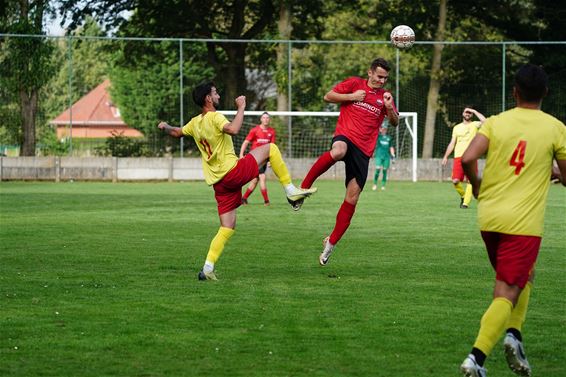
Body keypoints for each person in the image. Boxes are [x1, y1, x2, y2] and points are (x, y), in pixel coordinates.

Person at [459, 64, 566, 377]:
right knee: (506, 291)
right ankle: (476, 359)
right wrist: (557, 172)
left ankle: (514, 335)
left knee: (524, 276)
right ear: (545, 93)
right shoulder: (556, 128)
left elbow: (467, 158)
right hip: (523, 224)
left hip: (489, 217)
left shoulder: (495, 123)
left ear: (515, 92)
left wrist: (477, 187)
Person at [157, 81, 317, 281]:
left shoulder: (194, 123)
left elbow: (176, 132)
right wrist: (241, 107)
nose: (217, 95)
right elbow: (233, 129)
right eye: (214, 92)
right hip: (232, 172)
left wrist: (165, 126)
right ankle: (290, 190)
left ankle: (207, 268)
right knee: (271, 149)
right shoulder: (215, 117)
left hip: (219, 183)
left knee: (227, 226)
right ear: (208, 98)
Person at [292, 57, 399, 266]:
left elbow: (395, 121)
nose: (382, 81)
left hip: (364, 150)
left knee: (352, 198)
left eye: (385, 78)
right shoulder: (354, 84)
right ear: (370, 73)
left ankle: (330, 244)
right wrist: (351, 96)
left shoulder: (385, 97)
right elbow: (328, 96)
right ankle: (302, 189)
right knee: (338, 151)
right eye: (379, 76)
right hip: (346, 136)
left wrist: (388, 107)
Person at [442, 107, 486, 208]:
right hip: (458, 157)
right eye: (466, 112)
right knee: (455, 181)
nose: (468, 114)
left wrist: (474, 110)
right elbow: (452, 143)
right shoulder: (457, 127)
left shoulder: (475, 124)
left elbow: (485, 121)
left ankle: (465, 204)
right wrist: (445, 156)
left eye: (470, 113)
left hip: (471, 156)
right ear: (462, 113)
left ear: (472, 115)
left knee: (470, 181)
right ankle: (463, 196)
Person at [239, 112, 276, 206]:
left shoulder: (271, 131)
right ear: (261, 119)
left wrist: (271, 160)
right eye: (264, 117)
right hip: (255, 158)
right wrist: (241, 154)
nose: (266, 119)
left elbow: (272, 147)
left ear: (269, 119)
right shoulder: (255, 130)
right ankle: (266, 201)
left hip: (265, 159)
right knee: (262, 177)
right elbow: (246, 142)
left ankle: (243, 199)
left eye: (267, 118)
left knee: (255, 180)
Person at [372, 123, 395, 191]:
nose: (384, 130)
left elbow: (391, 147)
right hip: (379, 156)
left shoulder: (389, 138)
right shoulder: (378, 137)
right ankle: (375, 184)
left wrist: (393, 155)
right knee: (378, 169)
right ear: (380, 129)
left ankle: (383, 185)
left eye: (385, 129)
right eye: (383, 128)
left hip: (386, 157)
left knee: (385, 171)